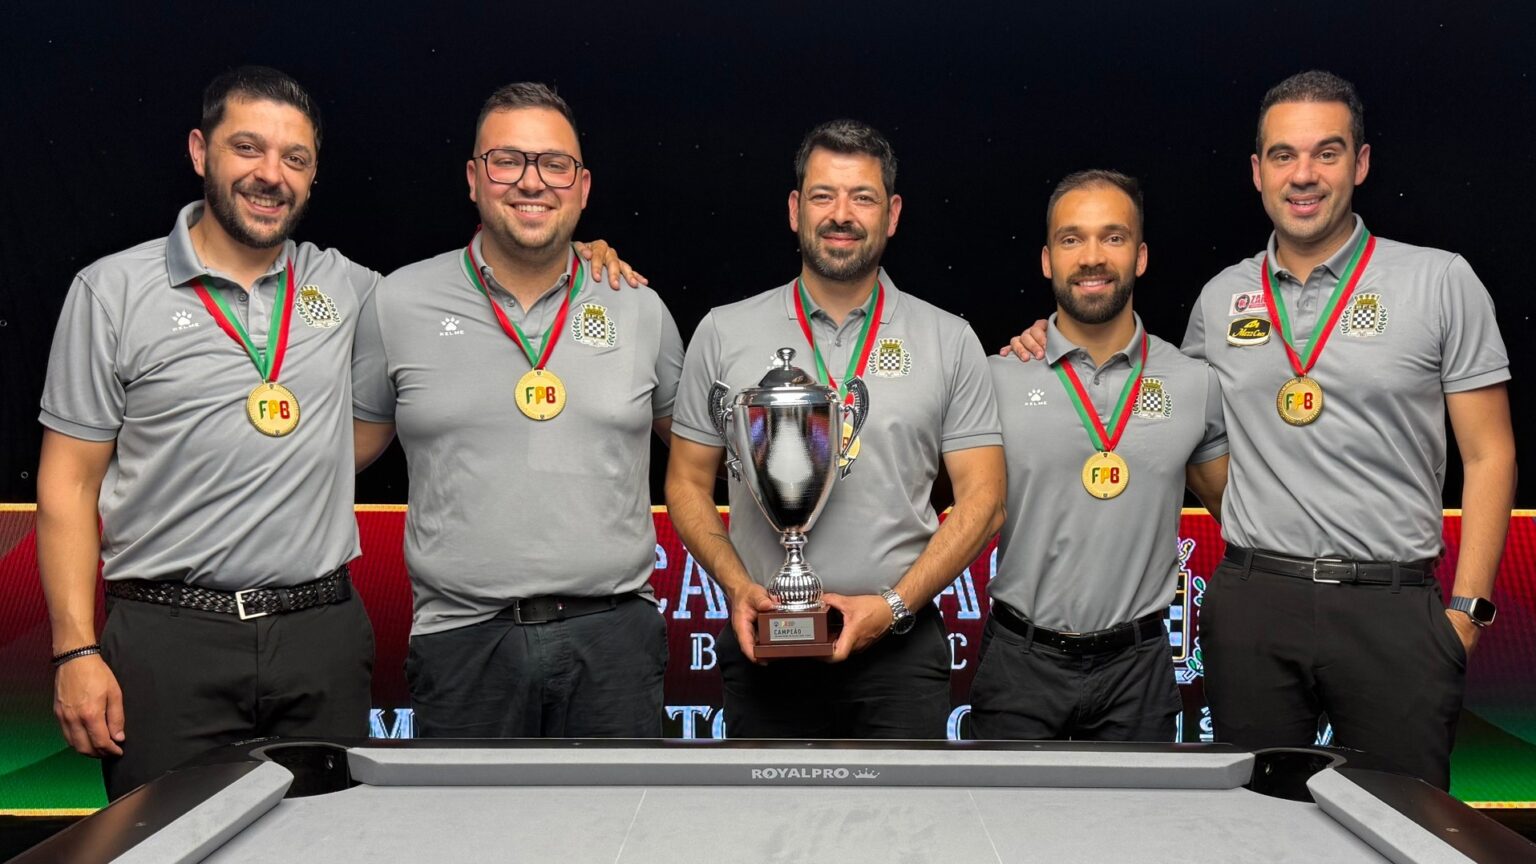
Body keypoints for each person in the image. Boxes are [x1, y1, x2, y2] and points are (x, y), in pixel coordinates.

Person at [1004, 71, 1514, 789]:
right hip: (1254, 602)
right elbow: (1178, 422)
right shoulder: (1221, 298)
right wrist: (1046, 338)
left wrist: (1466, 611)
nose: (1302, 175)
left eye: (1326, 153)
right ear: (1258, 172)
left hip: (1393, 606)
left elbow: (1491, 454)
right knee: (1254, 824)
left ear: (1361, 163)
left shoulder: (1439, 281)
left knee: (1406, 819)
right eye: (1282, 155)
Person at [37, 66, 376, 800]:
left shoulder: (350, 289)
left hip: (320, 635)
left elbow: (478, 281)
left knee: (331, 851)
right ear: (200, 152)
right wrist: (75, 649)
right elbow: (67, 483)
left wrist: (587, 253)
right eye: (247, 148)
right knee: (165, 845)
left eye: (295, 159)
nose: (270, 175)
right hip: (167, 640)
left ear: (314, 176)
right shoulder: (113, 291)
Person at [351, 83, 683, 737]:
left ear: (582, 187)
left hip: (613, 646)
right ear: (474, 178)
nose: (532, 182)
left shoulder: (638, 307)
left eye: (554, 164)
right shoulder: (397, 303)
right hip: (461, 647)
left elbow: (706, 462)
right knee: (473, 843)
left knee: (617, 840)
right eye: (508, 160)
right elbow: (336, 458)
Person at [666, 119, 1006, 738]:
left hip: (899, 656)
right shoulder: (723, 332)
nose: (841, 214)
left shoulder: (949, 340)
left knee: (908, 837)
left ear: (893, 213)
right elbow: (687, 483)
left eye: (863, 197)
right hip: (764, 646)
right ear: (796, 209)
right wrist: (739, 587)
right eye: (823, 195)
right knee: (767, 835)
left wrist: (894, 607)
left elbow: (984, 500)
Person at [973, 170, 1227, 742]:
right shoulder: (996, 378)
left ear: (1140, 257)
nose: (1092, 257)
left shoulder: (1193, 383)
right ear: (1046, 259)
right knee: (1008, 833)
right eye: (1071, 239)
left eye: (1113, 238)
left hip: (1138, 669)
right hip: (1020, 661)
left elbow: (1240, 513)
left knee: (1137, 833)